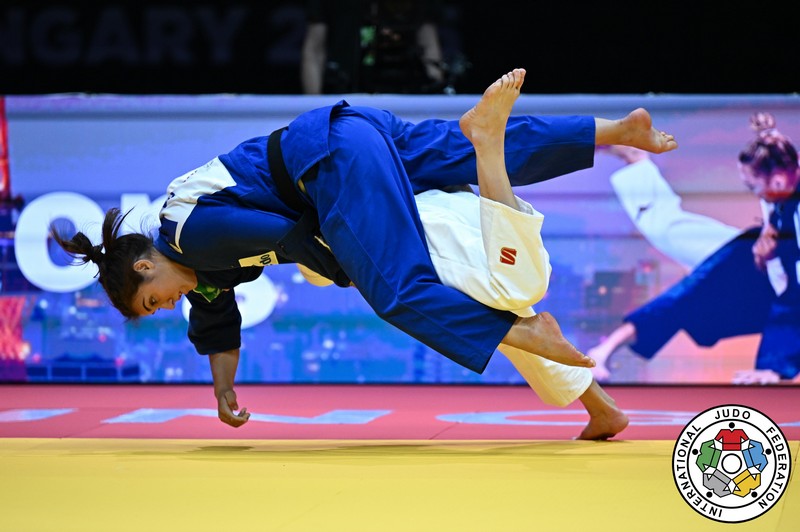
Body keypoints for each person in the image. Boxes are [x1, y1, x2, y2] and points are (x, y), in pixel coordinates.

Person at [51, 68, 678, 430]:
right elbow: (215, 314)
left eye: (152, 301)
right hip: (358, 133)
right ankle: (617, 131)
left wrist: (353, 271)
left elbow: (287, 236)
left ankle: (523, 332)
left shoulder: (187, 230)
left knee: (398, 291)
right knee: (474, 150)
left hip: (327, 162)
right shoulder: (194, 255)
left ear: (143, 265)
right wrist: (222, 390)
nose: (166, 306)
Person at [301, 68, 630, 439]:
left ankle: (490, 143)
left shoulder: (333, 161)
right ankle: (602, 407)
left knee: (513, 292)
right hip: (444, 204)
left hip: (422, 220)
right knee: (508, 304)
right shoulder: (367, 136)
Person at [588, 113, 800, 385]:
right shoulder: (782, 170)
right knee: (669, 233)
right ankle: (634, 157)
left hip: (769, 280)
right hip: (747, 258)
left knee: (690, 280)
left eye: (753, 186)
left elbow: (792, 300)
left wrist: (774, 367)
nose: (754, 193)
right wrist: (767, 136)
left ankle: (604, 350)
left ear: (779, 182)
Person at [301, 0, 445, 94]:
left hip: (403, 91)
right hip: (346, 91)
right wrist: (314, 106)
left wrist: (434, 93)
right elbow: (314, 51)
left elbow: (429, 46)